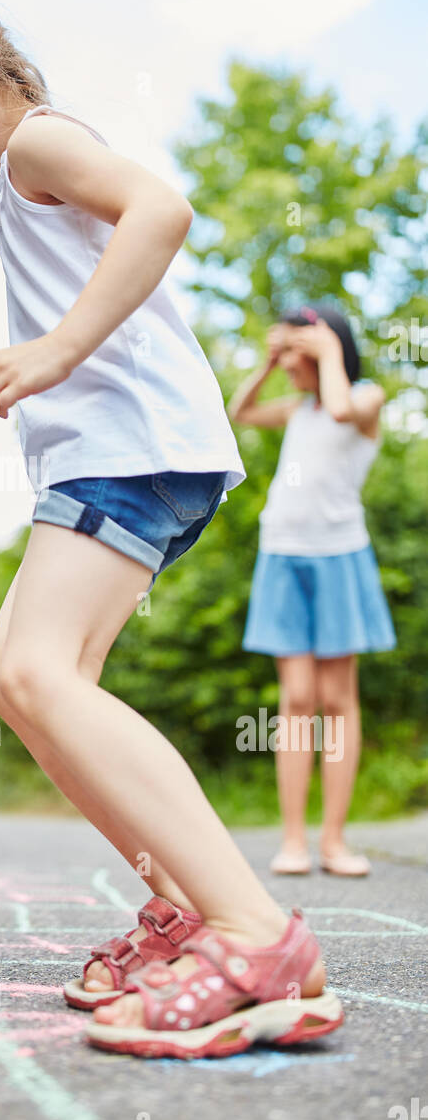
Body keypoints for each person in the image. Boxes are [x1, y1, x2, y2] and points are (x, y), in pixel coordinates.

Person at [0, 0, 344, 1059]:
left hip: (133, 453)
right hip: (123, 459)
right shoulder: (20, 172)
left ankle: (251, 931)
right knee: (26, 677)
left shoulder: (39, 143)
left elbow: (162, 208)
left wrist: (56, 352)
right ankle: (193, 909)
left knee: (34, 674)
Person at [230, 305, 395, 878]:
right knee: (296, 699)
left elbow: (345, 406)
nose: (292, 365)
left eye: (299, 352)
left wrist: (326, 352)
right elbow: (240, 411)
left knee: (336, 700)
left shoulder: (367, 397)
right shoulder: (297, 409)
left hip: (340, 556)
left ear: (328, 346)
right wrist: (270, 361)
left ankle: (333, 841)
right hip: (284, 554)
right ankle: (295, 840)